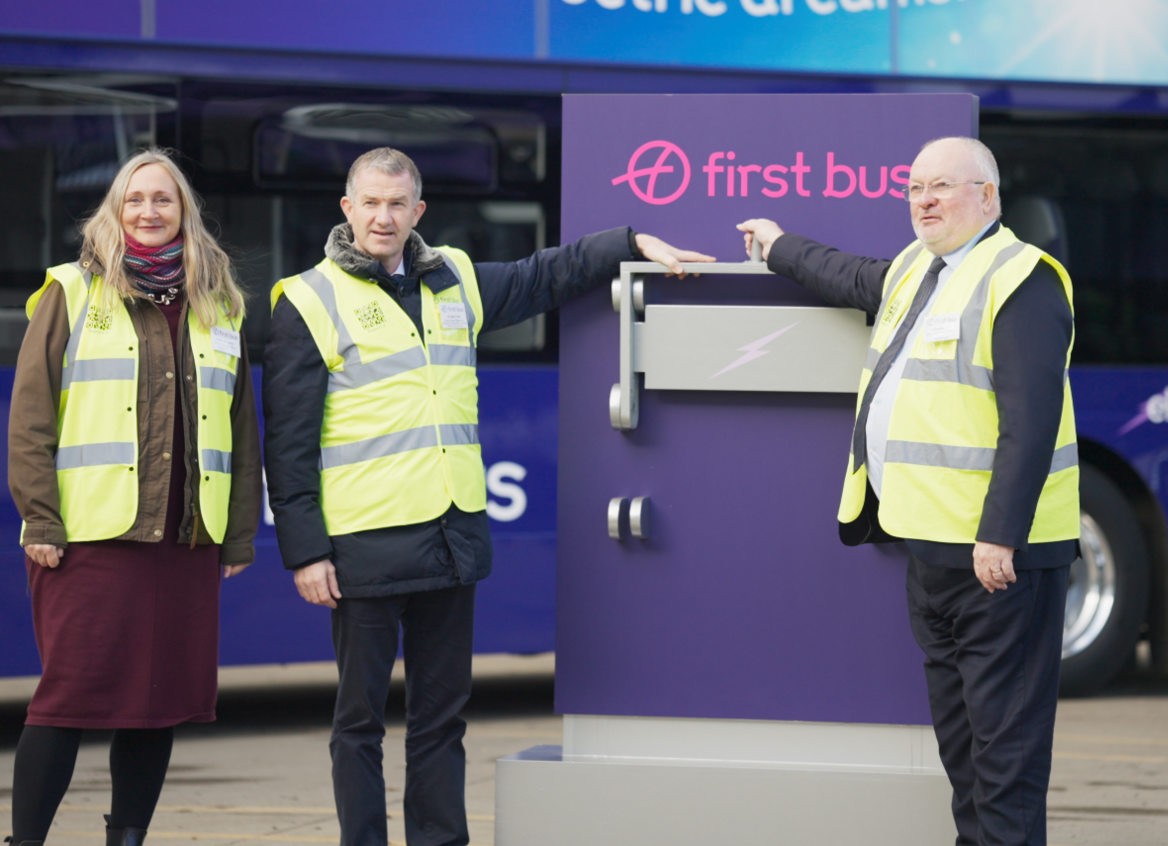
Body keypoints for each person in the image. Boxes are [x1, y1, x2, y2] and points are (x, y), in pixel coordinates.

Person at [261, 147, 711, 846]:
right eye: (370, 203)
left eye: (397, 204)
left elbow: (545, 275)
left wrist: (629, 243)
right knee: (360, 724)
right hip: (364, 545)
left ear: (419, 212)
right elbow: (287, 441)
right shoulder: (308, 299)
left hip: (451, 537)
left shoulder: (456, 278)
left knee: (442, 720)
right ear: (347, 210)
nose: (384, 217)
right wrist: (306, 551)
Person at [737, 136, 1079, 846]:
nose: (925, 200)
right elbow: (847, 275)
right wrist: (777, 247)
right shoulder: (917, 271)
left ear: (987, 197)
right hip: (932, 554)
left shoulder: (1021, 279)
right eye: (916, 188)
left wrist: (1001, 533)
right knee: (964, 757)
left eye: (943, 187)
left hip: (999, 564)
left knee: (1004, 761)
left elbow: (1032, 420)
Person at [6, 149, 262, 846]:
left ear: (185, 213)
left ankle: (128, 839)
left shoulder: (221, 302)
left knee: (158, 706)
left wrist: (236, 535)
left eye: (164, 200)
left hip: (184, 541)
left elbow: (240, 428)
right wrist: (40, 517)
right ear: (115, 211)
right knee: (65, 702)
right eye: (136, 199)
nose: (150, 211)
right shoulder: (73, 291)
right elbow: (31, 416)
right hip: (90, 540)